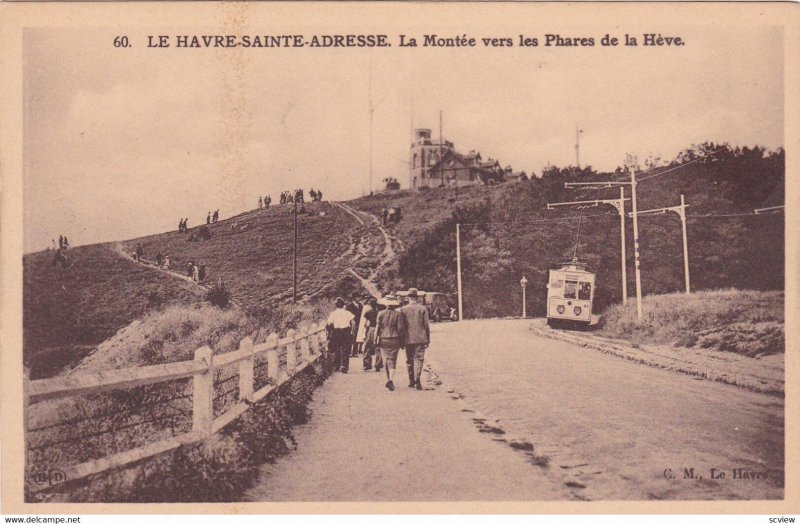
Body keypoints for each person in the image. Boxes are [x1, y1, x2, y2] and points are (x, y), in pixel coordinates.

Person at [400, 288, 431, 390]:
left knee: (409, 360)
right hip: (421, 338)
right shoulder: (423, 308)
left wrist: (402, 340)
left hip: (408, 338)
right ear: (417, 298)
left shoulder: (403, 309)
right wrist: (428, 338)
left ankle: (411, 381)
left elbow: (402, 326)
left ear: (408, 298)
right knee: (419, 359)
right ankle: (418, 379)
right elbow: (426, 324)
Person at [375, 294, 406, 391]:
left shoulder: (380, 313)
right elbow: (400, 329)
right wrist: (402, 341)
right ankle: (391, 379)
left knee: (385, 359)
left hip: (383, 338)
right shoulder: (398, 314)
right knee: (393, 359)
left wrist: (375, 338)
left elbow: (377, 327)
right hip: (394, 338)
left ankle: (388, 378)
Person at [326, 297, 355, 373]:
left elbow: (329, 323)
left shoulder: (333, 313)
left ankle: (337, 366)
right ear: (343, 305)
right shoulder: (347, 313)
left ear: (336, 305)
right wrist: (352, 331)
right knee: (345, 349)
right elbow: (354, 323)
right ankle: (344, 366)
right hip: (346, 331)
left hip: (337, 332)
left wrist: (329, 332)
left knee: (337, 349)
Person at [361, 297, 381, 371]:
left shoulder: (368, 312)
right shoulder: (379, 312)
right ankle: (378, 365)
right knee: (378, 347)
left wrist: (366, 331)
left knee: (367, 347)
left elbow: (365, 324)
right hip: (379, 330)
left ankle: (367, 365)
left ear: (370, 305)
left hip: (371, 329)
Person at [346, 292, 363, 357]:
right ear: (354, 298)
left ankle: (355, 352)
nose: (359, 298)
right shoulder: (349, 306)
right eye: (358, 297)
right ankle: (349, 352)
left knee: (357, 338)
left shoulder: (361, 306)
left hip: (358, 324)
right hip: (351, 325)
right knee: (350, 338)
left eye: (359, 297)